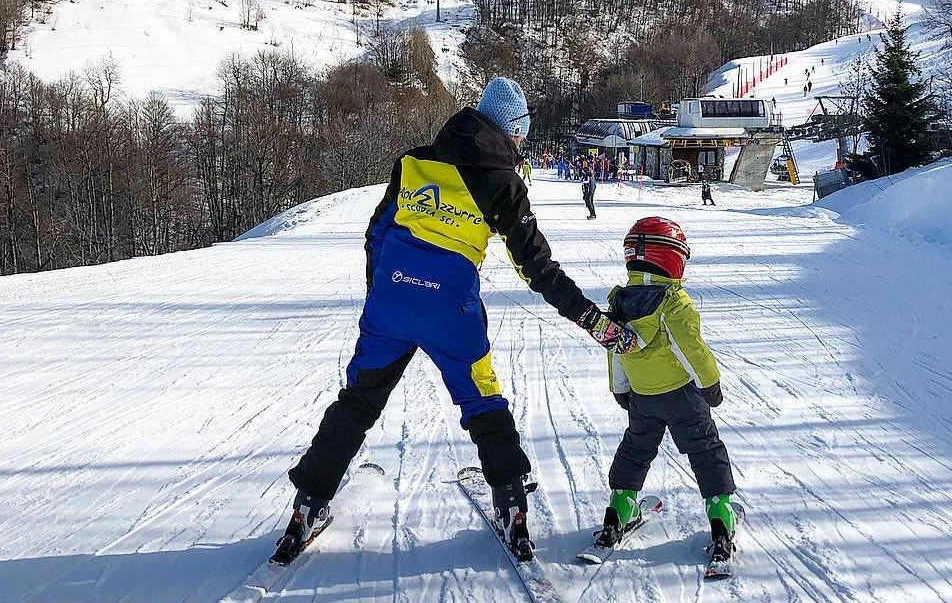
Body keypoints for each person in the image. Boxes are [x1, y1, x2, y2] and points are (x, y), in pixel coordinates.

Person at [275, 77, 632, 564]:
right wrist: (594, 322)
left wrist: (382, 292)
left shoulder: (412, 162)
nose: (522, 144)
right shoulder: (503, 183)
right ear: (510, 131)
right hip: (452, 312)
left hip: (391, 303)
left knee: (357, 402)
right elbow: (539, 270)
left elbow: (377, 233)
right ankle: (511, 503)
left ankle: (307, 504)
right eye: (521, 135)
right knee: (482, 400)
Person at [593, 217, 739, 565]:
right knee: (704, 449)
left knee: (636, 448)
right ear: (672, 258)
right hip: (682, 396)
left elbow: (616, 349)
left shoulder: (620, 302)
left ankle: (620, 506)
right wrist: (710, 385)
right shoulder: (673, 302)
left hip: (643, 396)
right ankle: (720, 514)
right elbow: (692, 348)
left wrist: (621, 388)